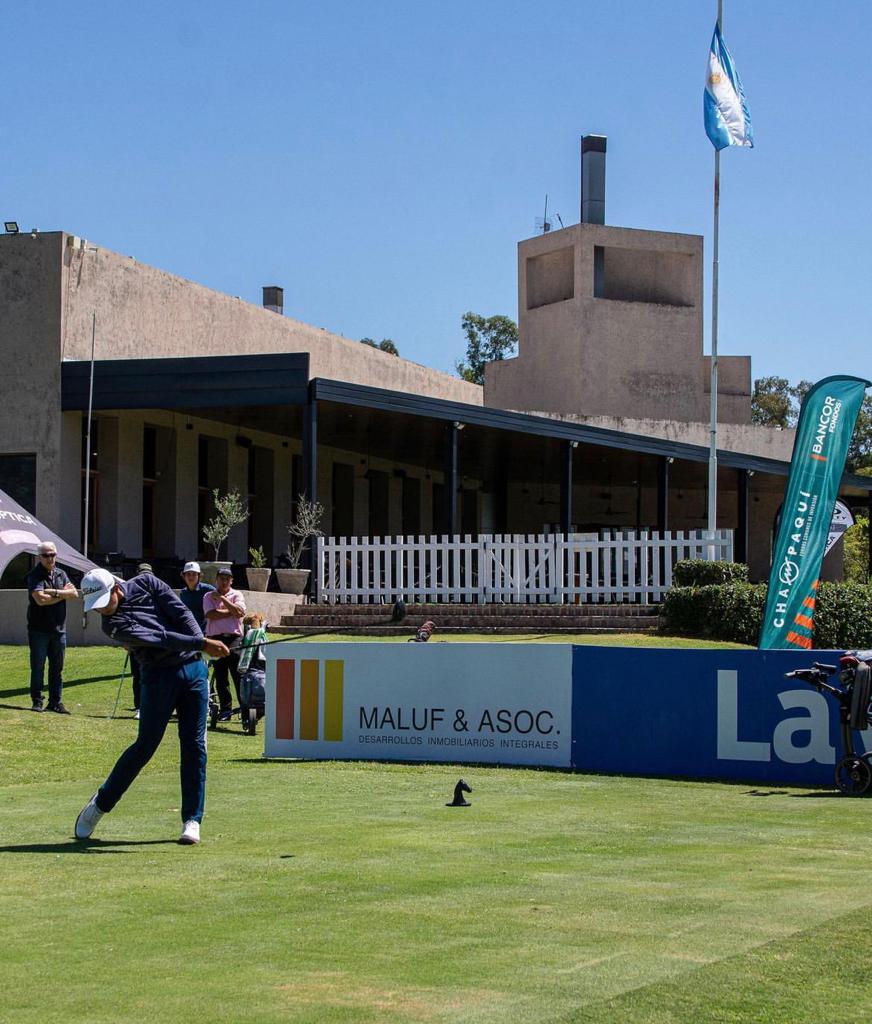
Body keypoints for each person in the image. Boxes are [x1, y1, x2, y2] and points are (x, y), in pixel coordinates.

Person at [74, 567, 229, 845]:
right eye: (95, 608)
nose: (102, 611)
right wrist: (202, 642)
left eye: (104, 603)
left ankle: (192, 819)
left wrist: (198, 649)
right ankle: (100, 804)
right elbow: (159, 637)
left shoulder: (146, 582)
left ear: (116, 589)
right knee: (145, 745)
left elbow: (180, 612)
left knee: (194, 745)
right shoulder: (113, 626)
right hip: (158, 677)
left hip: (193, 671)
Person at [26, 541, 78, 713]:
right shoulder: (35, 575)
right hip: (39, 629)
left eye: (53, 555)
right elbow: (40, 600)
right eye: (46, 555)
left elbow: (74, 593)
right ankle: (37, 701)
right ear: (39, 557)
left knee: (58, 667)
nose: (50, 558)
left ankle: (55, 702)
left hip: (59, 629)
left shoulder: (61, 574)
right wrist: (64, 594)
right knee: (38, 666)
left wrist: (55, 593)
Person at [203, 567, 246, 722]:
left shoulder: (237, 594)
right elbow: (210, 614)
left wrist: (222, 599)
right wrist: (231, 612)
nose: (224, 581)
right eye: (221, 578)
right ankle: (225, 710)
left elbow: (240, 612)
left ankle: (245, 709)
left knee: (237, 674)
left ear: (231, 580)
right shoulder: (208, 596)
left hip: (234, 638)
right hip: (215, 639)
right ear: (216, 579)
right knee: (221, 676)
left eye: (227, 578)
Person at [128, 562, 154, 719]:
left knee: (152, 675)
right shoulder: (130, 595)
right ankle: (140, 707)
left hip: (153, 642)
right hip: (136, 642)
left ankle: (152, 706)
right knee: (138, 675)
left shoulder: (157, 594)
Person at [178, 560, 214, 632]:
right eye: (188, 574)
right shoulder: (183, 592)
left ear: (199, 576)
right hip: (189, 630)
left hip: (206, 631)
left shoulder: (208, 589)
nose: (191, 577)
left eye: (194, 574)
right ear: (184, 576)